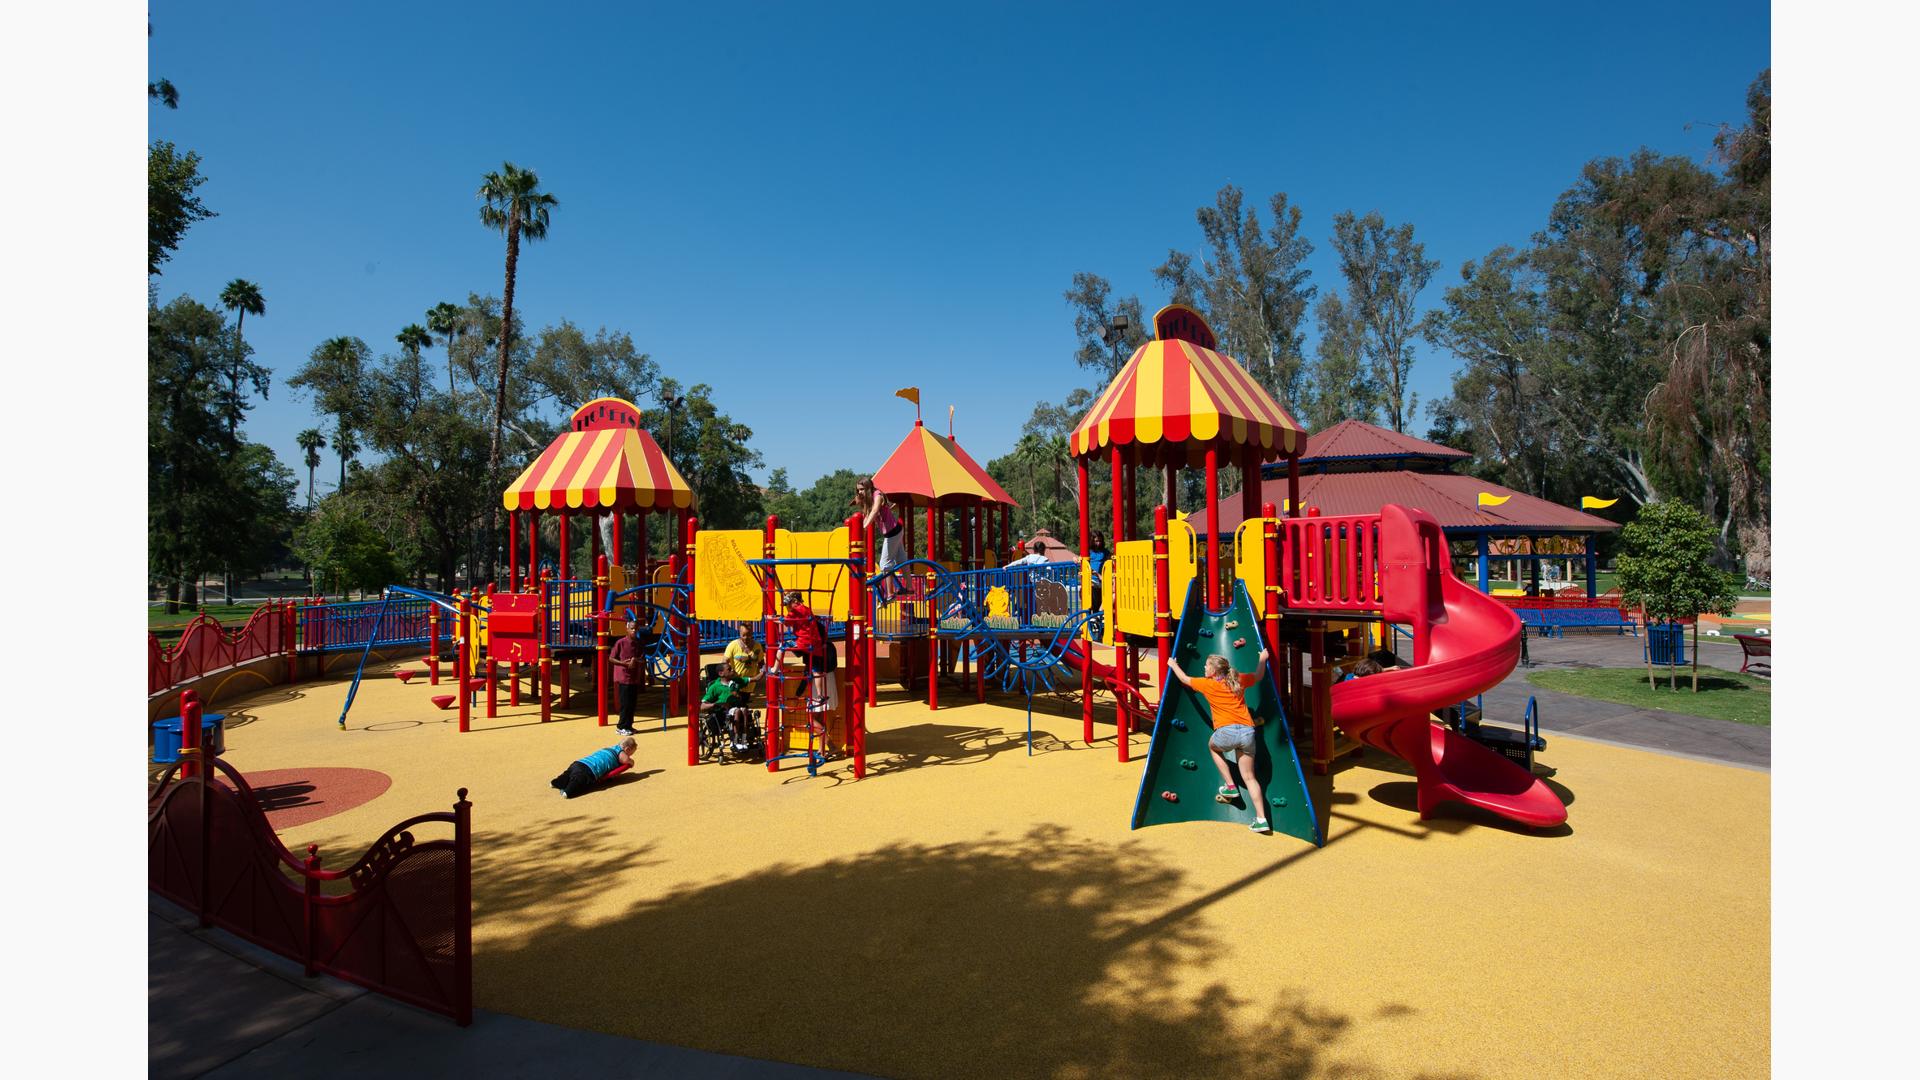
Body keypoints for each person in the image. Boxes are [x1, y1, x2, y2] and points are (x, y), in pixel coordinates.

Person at [1167, 647, 1273, 833]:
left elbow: (1184, 679)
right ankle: (1262, 819)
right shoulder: (1238, 679)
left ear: (1214, 671)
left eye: (1206, 666)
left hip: (1226, 731)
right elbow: (1258, 676)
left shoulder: (1208, 684)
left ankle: (1231, 786)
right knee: (1250, 777)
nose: (1204, 668)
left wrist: (1172, 664)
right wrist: (1263, 658)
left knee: (1213, 748)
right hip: (1248, 732)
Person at [855, 477, 907, 600]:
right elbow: (867, 514)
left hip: (893, 531)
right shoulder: (869, 500)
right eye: (858, 490)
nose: (860, 492)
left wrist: (863, 528)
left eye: (862, 489)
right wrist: (862, 527)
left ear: (868, 487)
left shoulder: (877, 495)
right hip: (892, 532)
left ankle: (890, 594)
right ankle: (907, 588)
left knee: (884, 564)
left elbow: (874, 512)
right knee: (901, 560)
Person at [782, 591, 835, 710]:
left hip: (809, 650)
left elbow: (786, 622)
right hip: (817, 655)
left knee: (809, 674)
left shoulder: (799, 615)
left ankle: (801, 696)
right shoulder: (811, 620)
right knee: (812, 673)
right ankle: (814, 696)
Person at [550, 737, 636, 799]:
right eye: (630, 753)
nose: (629, 755)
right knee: (579, 780)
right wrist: (631, 762)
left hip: (580, 762)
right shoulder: (620, 753)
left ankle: (556, 782)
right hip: (590, 769)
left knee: (567, 774)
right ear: (627, 749)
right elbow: (625, 760)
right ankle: (568, 791)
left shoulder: (609, 748)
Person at [609, 609, 645, 736]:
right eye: (632, 629)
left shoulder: (638, 644)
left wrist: (636, 660)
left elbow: (642, 658)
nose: (634, 631)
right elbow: (611, 658)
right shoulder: (621, 643)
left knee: (632, 703)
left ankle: (629, 725)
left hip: (634, 678)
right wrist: (624, 663)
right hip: (624, 677)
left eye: (635, 629)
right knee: (625, 703)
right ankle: (621, 726)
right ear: (627, 629)